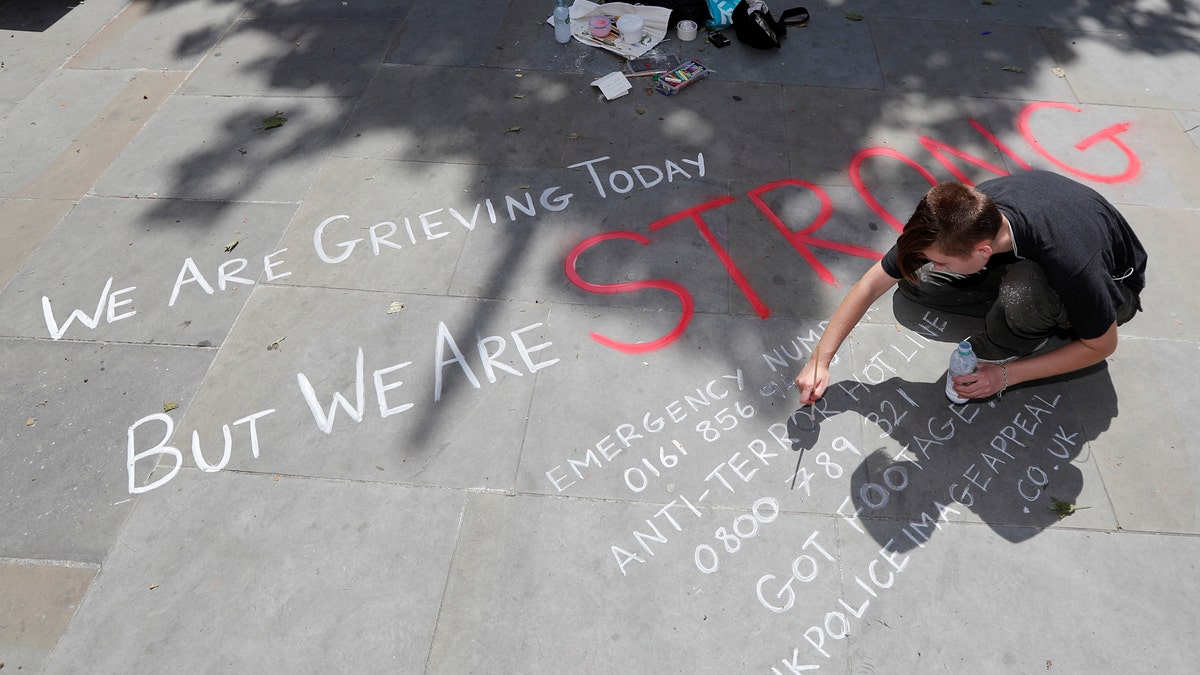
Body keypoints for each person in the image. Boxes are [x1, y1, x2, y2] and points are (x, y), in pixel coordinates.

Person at [793, 169, 1147, 405]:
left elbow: (1102, 345)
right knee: (918, 282)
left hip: (1114, 291)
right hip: (1024, 257)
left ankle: (1025, 329)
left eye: (943, 260)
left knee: (1021, 294)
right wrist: (820, 359)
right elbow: (872, 283)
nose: (936, 263)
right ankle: (1013, 307)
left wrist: (1005, 375)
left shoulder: (1071, 261)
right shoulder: (964, 216)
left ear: (983, 251)